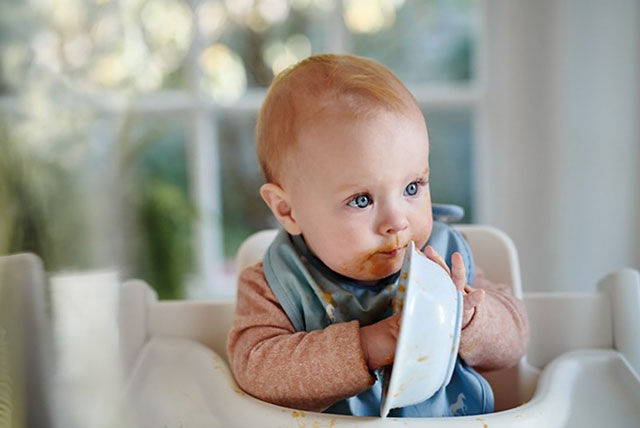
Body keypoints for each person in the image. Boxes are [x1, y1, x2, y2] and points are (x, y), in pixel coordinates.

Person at [227, 54, 529, 417]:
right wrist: (365, 347)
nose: (397, 221)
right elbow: (257, 369)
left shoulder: (441, 258)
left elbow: (516, 339)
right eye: (361, 199)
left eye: (413, 187)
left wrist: (467, 319)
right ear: (288, 210)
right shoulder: (277, 285)